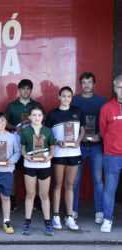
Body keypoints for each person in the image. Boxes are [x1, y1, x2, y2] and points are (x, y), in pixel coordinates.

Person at [46, 86, 85, 231]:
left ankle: (69, 217)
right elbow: (48, 134)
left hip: (74, 153)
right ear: (59, 97)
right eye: (63, 96)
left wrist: (78, 142)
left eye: (69, 96)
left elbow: (82, 130)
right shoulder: (53, 114)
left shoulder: (78, 111)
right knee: (57, 184)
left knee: (70, 185)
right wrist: (57, 142)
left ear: (72, 97)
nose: (66, 99)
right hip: (58, 153)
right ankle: (56, 216)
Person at [71, 72, 107, 223]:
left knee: (98, 180)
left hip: (96, 146)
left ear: (94, 84)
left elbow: (106, 122)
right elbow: (69, 122)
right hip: (77, 146)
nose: (87, 85)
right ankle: (72, 211)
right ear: (80, 84)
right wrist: (76, 137)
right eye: (84, 82)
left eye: (89, 82)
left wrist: (100, 135)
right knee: (75, 180)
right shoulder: (74, 100)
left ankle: (99, 212)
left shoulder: (102, 101)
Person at [5, 79, 45, 213]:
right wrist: (15, 128)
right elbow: (5, 123)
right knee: (14, 173)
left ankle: (37, 200)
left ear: (31, 90)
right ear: (19, 90)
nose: (25, 91)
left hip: (34, 143)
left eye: (28, 88)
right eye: (23, 88)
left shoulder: (37, 105)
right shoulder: (12, 106)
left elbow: (43, 122)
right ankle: (12, 199)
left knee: (36, 173)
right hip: (16, 143)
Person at [20, 106, 55, 236]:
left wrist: (50, 157)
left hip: (44, 165)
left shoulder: (48, 131)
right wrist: (26, 156)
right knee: (30, 194)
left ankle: (47, 221)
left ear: (42, 117)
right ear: (29, 117)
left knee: (44, 195)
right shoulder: (25, 131)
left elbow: (52, 147)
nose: (36, 118)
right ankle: (27, 221)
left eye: (39, 115)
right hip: (30, 164)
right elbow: (23, 148)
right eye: (33, 115)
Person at [99, 74, 122, 233]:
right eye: (120, 87)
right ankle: (108, 219)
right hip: (112, 155)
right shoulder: (107, 108)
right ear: (115, 89)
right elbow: (103, 131)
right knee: (109, 189)